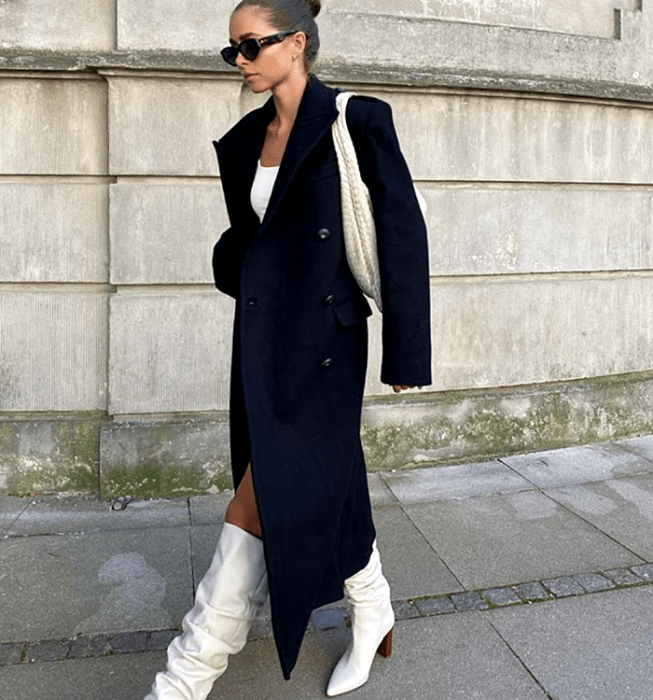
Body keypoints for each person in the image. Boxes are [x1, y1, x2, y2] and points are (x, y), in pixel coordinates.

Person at [144, 0, 431, 698]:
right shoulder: (245, 139)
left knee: (258, 498)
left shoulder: (356, 119)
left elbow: (401, 232)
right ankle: (372, 610)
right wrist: (235, 258)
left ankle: (184, 679)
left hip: (327, 345)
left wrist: (406, 354)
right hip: (263, 341)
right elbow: (249, 240)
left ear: (295, 43)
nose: (237, 61)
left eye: (249, 46)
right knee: (321, 483)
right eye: (231, 51)